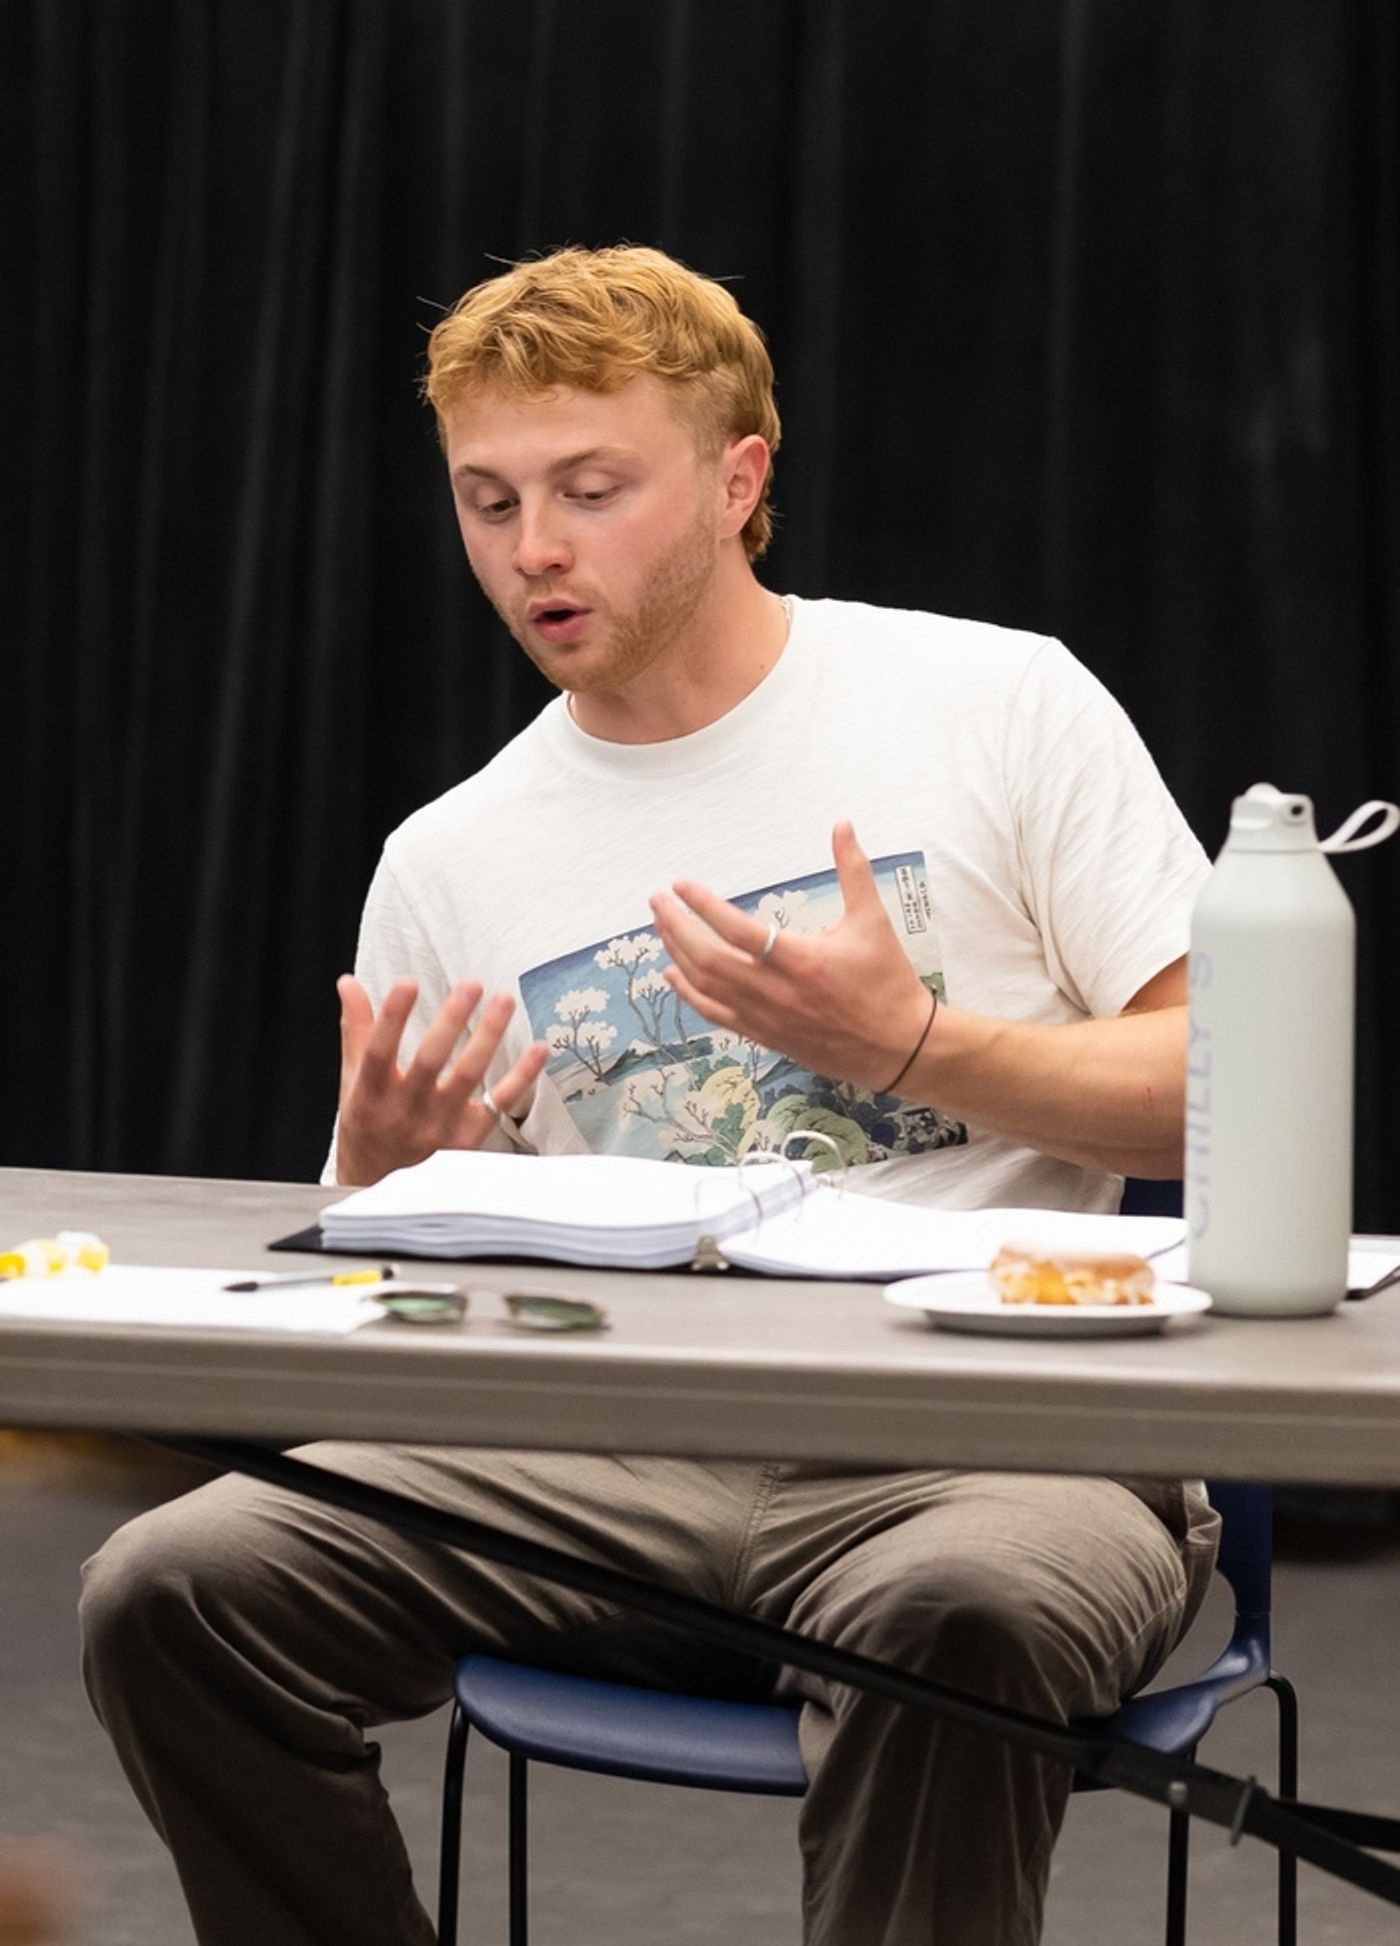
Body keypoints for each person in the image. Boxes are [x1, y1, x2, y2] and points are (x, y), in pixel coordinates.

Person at [81, 246, 1220, 1946]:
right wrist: (380, 1197)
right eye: (487, 499)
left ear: (739, 480)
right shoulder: (453, 856)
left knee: (962, 1607)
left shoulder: (997, 703)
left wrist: (914, 1049)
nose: (532, 547)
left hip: (985, 1452)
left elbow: (1234, 1102)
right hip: (597, 1467)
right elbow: (372, 1326)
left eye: (590, 488)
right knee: (171, 1588)